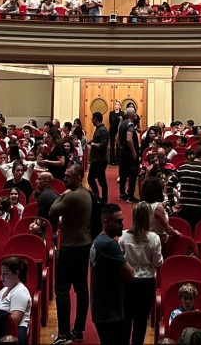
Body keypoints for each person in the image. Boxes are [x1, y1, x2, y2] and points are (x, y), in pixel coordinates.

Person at [50, 165, 92, 345]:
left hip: (71, 248)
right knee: (81, 287)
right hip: (83, 245)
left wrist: (62, 194)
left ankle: (64, 333)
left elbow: (52, 211)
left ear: (78, 178)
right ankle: (78, 329)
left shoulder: (73, 196)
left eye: (68, 177)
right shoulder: (86, 193)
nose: (65, 179)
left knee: (61, 289)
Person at [120, 202, 163, 345]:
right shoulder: (154, 238)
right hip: (146, 282)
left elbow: (120, 261)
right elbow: (158, 263)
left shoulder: (124, 236)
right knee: (141, 320)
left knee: (126, 319)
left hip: (128, 281)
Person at [90, 204, 134, 345]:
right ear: (106, 222)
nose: (122, 225)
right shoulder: (109, 245)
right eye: (118, 221)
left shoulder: (98, 240)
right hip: (110, 312)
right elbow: (130, 275)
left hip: (102, 309)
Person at [88, 111, 110, 201]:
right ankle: (98, 197)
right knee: (99, 180)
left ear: (96, 119)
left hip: (99, 160)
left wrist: (92, 143)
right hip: (96, 159)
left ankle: (100, 198)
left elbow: (103, 145)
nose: (91, 120)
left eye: (92, 118)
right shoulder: (98, 129)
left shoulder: (102, 130)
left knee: (98, 180)